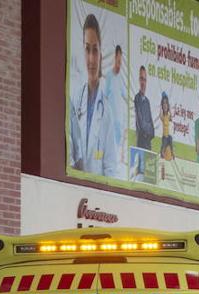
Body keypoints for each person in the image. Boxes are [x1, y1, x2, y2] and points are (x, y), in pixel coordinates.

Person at [69, 13, 118, 177]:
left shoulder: (107, 111)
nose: (91, 59)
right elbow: (70, 150)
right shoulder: (75, 100)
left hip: (98, 195)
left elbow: (110, 167)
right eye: (87, 49)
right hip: (75, 187)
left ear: (101, 54)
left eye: (95, 50)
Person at [133, 65, 155, 174]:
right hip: (141, 144)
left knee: (149, 174)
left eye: (145, 80)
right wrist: (147, 130)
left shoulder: (147, 102)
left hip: (148, 146)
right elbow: (141, 124)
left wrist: (148, 130)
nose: (143, 83)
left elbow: (152, 130)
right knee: (140, 173)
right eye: (141, 79)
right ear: (138, 80)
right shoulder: (137, 99)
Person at [159, 92, 174, 162]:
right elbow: (160, 115)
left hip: (169, 136)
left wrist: (169, 107)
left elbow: (171, 115)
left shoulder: (168, 116)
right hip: (165, 136)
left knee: (170, 144)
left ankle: (172, 154)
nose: (165, 105)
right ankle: (162, 153)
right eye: (163, 103)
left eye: (166, 103)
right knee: (164, 145)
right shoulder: (163, 117)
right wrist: (160, 106)